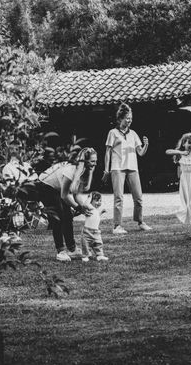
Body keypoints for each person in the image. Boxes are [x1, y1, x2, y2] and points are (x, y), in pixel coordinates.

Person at [38, 148, 98, 261]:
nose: (95, 164)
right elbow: (64, 195)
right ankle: (60, 251)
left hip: (56, 189)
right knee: (57, 216)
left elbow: (77, 195)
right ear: (84, 161)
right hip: (44, 185)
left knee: (68, 215)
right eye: (92, 161)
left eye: (95, 161)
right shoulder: (71, 170)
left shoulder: (84, 171)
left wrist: (83, 207)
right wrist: (77, 207)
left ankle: (72, 249)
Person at [104, 103, 151, 234]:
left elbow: (140, 152)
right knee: (118, 197)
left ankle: (140, 222)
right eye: (127, 118)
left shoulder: (134, 134)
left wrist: (146, 145)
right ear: (120, 119)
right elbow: (107, 152)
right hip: (117, 168)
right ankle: (117, 226)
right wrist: (106, 170)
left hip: (132, 168)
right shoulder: (112, 133)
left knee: (138, 197)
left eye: (131, 118)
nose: (129, 121)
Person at [165, 133, 191, 239]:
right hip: (185, 182)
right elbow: (167, 151)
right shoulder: (180, 154)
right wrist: (181, 152)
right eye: (189, 143)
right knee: (188, 205)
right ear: (184, 143)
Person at [79, 191, 108, 262]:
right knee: (86, 244)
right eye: (97, 200)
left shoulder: (95, 210)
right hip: (87, 231)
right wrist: (90, 197)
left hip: (96, 232)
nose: (99, 202)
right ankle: (85, 256)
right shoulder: (90, 208)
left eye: (100, 201)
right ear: (91, 201)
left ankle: (100, 255)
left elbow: (96, 217)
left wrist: (101, 213)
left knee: (98, 243)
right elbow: (85, 204)